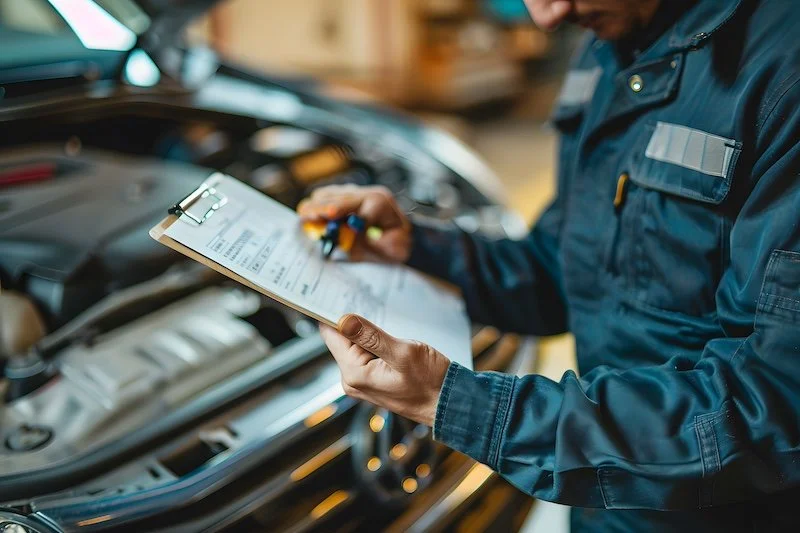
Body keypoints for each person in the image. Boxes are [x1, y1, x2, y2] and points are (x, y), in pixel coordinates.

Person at [298, 0, 800, 531]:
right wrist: (416, 247)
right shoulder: (607, 49)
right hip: (602, 506)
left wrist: (465, 406)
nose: (547, 16)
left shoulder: (782, 74)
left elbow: (772, 406)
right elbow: (565, 271)